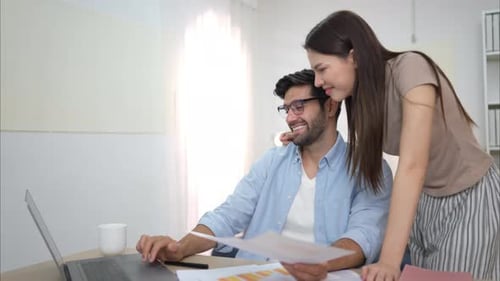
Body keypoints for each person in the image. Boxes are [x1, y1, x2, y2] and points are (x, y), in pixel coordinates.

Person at [292, 10, 500, 281]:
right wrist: (299, 138)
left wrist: (389, 262)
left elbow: (413, 164)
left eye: (321, 69)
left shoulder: (410, 67)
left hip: (469, 194)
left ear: (353, 57)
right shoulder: (364, 100)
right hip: (425, 200)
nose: (318, 82)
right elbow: (327, 129)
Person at [137, 69, 393, 280]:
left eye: (299, 107)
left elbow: (363, 236)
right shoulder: (272, 162)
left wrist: (322, 262)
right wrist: (180, 247)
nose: (291, 118)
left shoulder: (368, 168)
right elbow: (229, 214)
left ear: (330, 106)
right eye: (287, 109)